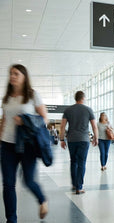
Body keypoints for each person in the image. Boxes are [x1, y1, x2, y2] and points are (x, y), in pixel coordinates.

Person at [0, 64, 48, 222]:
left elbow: (44, 119)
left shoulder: (32, 95)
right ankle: (11, 219)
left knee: (28, 181)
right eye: (11, 73)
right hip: (7, 145)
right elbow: (4, 121)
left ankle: (42, 200)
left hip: (27, 145)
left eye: (16, 73)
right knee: (8, 184)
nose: (12, 76)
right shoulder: (7, 97)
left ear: (24, 76)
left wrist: (25, 121)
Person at [60, 91, 98, 194]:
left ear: (75, 98)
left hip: (71, 139)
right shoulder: (88, 110)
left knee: (73, 162)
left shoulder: (68, 110)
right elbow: (94, 126)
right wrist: (96, 138)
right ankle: (79, 187)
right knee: (81, 163)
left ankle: (74, 184)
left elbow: (62, 126)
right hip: (84, 140)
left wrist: (62, 139)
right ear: (83, 98)